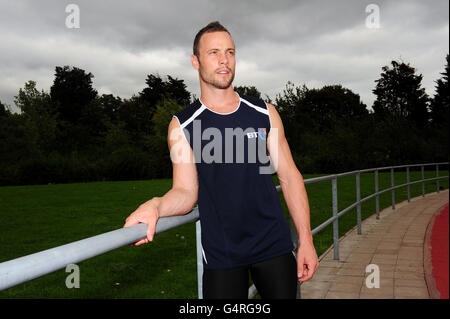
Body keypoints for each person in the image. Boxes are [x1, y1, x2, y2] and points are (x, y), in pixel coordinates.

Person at [123, 21, 319, 299]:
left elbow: (289, 176)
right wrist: (156, 205)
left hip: (273, 246)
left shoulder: (264, 114)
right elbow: (186, 192)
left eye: (230, 51)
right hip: (222, 254)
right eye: (214, 52)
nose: (224, 59)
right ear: (196, 61)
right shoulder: (183, 126)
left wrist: (306, 240)